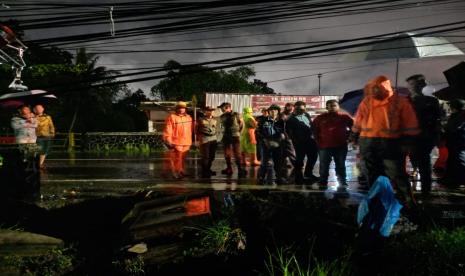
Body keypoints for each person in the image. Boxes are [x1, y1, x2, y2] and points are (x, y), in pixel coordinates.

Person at [352, 76, 420, 208]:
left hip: (389, 144)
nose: (376, 91)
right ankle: (378, 200)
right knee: (372, 173)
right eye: (374, 89)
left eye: (378, 88)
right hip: (370, 143)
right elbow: (358, 120)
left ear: (386, 88)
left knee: (396, 173)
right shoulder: (367, 102)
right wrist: (354, 135)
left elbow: (410, 123)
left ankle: (408, 202)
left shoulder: (400, 102)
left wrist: (409, 141)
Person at [405, 74, 442, 196]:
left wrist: (436, 137)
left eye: (416, 84)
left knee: (424, 164)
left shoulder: (432, 101)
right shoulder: (405, 101)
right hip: (409, 138)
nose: (413, 87)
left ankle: (426, 190)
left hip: (425, 138)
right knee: (414, 161)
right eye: (411, 84)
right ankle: (408, 189)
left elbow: (437, 120)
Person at [312, 99, 354, 187]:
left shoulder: (345, 117)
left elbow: (354, 128)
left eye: (334, 105)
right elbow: (314, 131)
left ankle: (342, 181)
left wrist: (350, 137)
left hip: (341, 146)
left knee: (341, 165)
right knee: (324, 165)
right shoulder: (320, 118)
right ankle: (323, 181)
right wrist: (318, 141)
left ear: (338, 107)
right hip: (324, 146)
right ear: (326, 107)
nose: (332, 107)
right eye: (330, 106)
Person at [286, 101, 318, 184]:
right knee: (300, 160)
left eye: (302, 109)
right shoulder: (290, 119)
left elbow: (310, 125)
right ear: (295, 108)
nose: (300, 111)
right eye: (298, 109)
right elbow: (288, 132)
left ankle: (308, 173)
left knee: (313, 156)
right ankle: (298, 177)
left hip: (311, 141)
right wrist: (295, 141)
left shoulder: (306, 115)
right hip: (299, 142)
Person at [162, 101, 193, 179]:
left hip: (187, 141)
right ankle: (176, 172)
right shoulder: (172, 117)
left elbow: (192, 129)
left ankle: (182, 170)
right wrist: (168, 140)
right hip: (176, 141)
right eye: (180, 108)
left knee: (183, 158)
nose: (181, 109)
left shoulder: (189, 117)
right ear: (177, 109)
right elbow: (168, 129)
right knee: (177, 158)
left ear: (185, 109)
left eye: (183, 108)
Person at [256, 104, 285, 184]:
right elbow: (258, 132)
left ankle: (279, 177)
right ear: (269, 111)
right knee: (264, 162)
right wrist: (265, 140)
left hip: (277, 144)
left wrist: (281, 138)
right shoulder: (263, 120)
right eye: (272, 110)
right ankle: (261, 177)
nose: (273, 112)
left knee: (278, 162)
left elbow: (283, 132)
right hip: (265, 144)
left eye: (275, 110)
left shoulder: (281, 121)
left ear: (278, 112)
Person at [218, 102, 247, 177]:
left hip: (231, 136)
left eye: (222, 108)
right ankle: (231, 168)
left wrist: (238, 133)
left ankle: (237, 169)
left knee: (235, 153)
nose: (221, 109)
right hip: (231, 136)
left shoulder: (235, 115)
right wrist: (238, 133)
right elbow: (242, 125)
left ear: (228, 107)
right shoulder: (226, 116)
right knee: (229, 153)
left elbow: (242, 125)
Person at [442, 99, 465, 186]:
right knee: (452, 159)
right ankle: (449, 177)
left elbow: (454, 127)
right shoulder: (457, 115)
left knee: (459, 159)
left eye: (451, 106)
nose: (450, 108)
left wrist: (446, 127)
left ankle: (459, 179)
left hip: (459, 141)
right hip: (454, 140)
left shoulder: (461, 115)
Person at [196, 106, 218, 178]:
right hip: (205, 139)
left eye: (211, 110)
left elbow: (218, 129)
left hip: (213, 139)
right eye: (208, 110)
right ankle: (204, 171)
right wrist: (198, 138)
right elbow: (196, 129)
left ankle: (208, 169)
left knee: (212, 156)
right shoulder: (200, 119)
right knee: (206, 156)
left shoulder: (215, 120)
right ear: (205, 111)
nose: (210, 112)